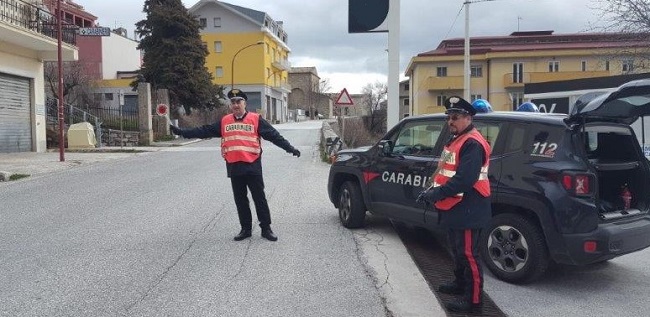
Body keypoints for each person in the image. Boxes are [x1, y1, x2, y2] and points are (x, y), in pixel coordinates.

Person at [170, 89, 301, 242]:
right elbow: (204, 130)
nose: (236, 104)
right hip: (234, 167)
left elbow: (274, 136)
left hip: (253, 166)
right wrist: (182, 132)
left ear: (245, 103)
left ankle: (266, 229)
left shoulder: (256, 119)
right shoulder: (225, 121)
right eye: (233, 102)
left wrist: (290, 148)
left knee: (259, 198)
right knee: (240, 200)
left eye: (239, 101)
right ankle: (245, 229)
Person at [416, 96, 491, 314]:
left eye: (455, 117)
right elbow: (446, 172)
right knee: (458, 251)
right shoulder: (458, 139)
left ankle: (474, 302)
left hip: (470, 206)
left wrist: (435, 194)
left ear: (468, 118)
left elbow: (465, 180)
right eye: (449, 117)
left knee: (469, 254)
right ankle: (460, 285)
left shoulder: (472, 143)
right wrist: (432, 190)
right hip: (455, 206)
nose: (450, 121)